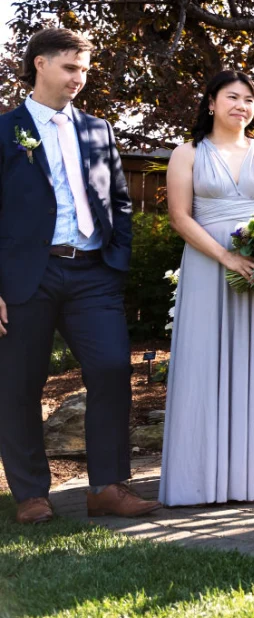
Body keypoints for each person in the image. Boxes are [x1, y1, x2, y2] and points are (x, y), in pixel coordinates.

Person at [0, 27, 159, 523]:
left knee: (112, 370)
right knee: (20, 383)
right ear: (40, 64)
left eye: (85, 70)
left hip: (94, 273)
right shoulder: (5, 131)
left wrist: (117, 262)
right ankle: (31, 495)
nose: (79, 78)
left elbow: (120, 200)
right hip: (27, 276)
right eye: (71, 67)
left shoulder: (98, 129)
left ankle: (107, 488)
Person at [159, 70, 254, 505]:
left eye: (250, 99)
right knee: (203, 361)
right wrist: (226, 257)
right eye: (233, 97)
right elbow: (179, 217)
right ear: (211, 103)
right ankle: (197, 481)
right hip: (206, 269)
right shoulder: (188, 153)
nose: (242, 106)